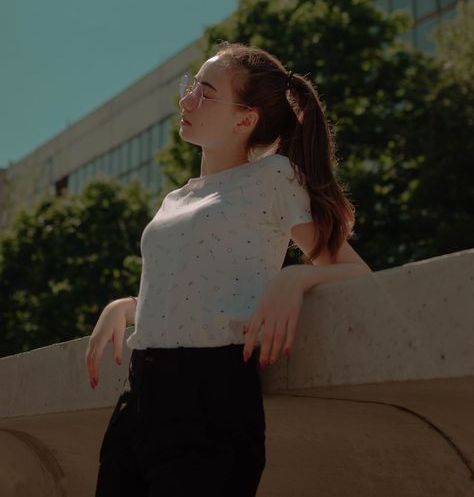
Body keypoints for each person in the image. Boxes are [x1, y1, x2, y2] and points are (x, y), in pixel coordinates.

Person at [85, 41, 372, 496]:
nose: (186, 100)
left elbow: (356, 273)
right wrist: (129, 306)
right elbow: (201, 286)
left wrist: (294, 277)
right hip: (139, 396)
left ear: (245, 119)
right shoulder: (176, 199)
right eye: (190, 87)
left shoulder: (274, 177)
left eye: (205, 92)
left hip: (211, 396)